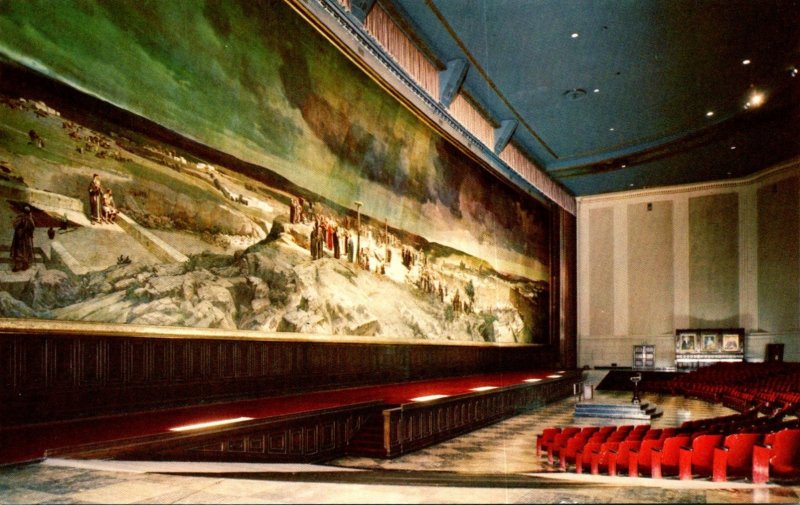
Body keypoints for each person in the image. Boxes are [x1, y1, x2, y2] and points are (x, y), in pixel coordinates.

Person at [10, 206, 35, 272]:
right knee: (18, 251)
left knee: (26, 251)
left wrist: (29, 221)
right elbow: (15, 225)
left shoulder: (30, 218)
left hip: (26, 238)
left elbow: (32, 227)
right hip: (19, 237)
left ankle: (25, 265)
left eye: (28, 212)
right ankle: (17, 266)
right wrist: (20, 230)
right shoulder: (20, 217)